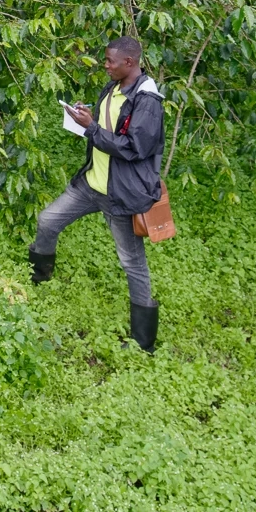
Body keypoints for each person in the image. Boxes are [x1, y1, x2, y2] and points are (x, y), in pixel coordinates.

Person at [29, 35, 165, 351]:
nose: (105, 65)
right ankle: (39, 280)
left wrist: (91, 128)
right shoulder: (114, 88)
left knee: (132, 262)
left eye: (110, 62)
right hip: (92, 184)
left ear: (129, 63)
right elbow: (109, 128)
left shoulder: (147, 102)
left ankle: (143, 342)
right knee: (47, 221)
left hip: (120, 195)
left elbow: (134, 148)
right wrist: (86, 117)